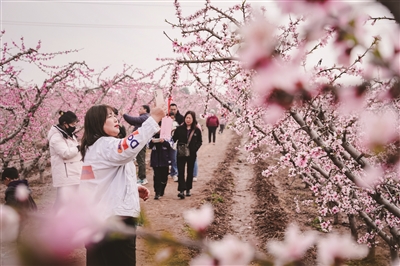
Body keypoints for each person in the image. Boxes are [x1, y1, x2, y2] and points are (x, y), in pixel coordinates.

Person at [79, 104, 164, 266]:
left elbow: (96, 182)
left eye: (114, 115)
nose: (115, 118)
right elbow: (128, 148)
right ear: (97, 122)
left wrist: (131, 187)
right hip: (115, 225)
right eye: (109, 116)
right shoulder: (105, 144)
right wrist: (153, 120)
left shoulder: (93, 148)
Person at [47, 110, 82, 208]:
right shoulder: (56, 137)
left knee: (72, 203)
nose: (74, 126)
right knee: (62, 202)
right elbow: (65, 153)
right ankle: (55, 221)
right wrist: (78, 148)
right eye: (73, 124)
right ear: (65, 124)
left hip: (73, 174)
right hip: (65, 176)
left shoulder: (69, 135)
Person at [172, 111, 202, 199]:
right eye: (186, 118)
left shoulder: (196, 130)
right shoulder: (179, 129)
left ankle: (188, 188)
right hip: (181, 153)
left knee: (190, 171)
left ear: (193, 119)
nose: (188, 120)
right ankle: (181, 190)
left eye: (190, 118)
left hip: (192, 154)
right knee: (180, 171)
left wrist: (194, 148)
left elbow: (200, 141)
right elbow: (174, 139)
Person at [123, 105, 151, 185]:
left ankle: (142, 178)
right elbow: (132, 121)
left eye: (140, 109)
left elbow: (133, 119)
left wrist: (124, 114)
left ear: (145, 110)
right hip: (138, 141)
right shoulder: (143, 117)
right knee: (139, 159)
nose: (139, 110)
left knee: (141, 159)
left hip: (141, 141)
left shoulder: (145, 117)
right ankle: (141, 177)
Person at [149, 129, 171, 200]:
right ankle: (157, 192)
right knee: (156, 176)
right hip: (156, 160)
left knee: (164, 176)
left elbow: (170, 145)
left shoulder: (167, 136)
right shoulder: (152, 135)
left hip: (164, 159)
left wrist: (164, 141)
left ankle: (162, 189)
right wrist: (152, 142)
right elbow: (149, 146)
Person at [169, 112, 180, 182]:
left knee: (174, 159)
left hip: (174, 144)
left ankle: (175, 173)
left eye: (172, 117)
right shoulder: (165, 124)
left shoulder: (176, 124)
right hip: (166, 144)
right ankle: (172, 172)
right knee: (170, 159)